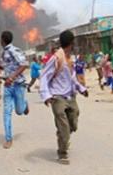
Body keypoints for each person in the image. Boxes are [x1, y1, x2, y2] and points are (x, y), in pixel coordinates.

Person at [39, 30, 88, 165]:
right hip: (57, 97)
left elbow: (71, 78)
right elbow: (44, 76)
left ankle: (62, 134)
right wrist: (46, 96)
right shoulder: (56, 58)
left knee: (74, 121)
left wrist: (81, 89)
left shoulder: (68, 59)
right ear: (71, 43)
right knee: (64, 126)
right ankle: (62, 153)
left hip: (70, 96)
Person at [0, 31, 29, 149]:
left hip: (18, 85)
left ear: (2, 40)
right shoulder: (4, 53)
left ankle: (24, 105)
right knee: (6, 113)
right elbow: (7, 66)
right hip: (7, 86)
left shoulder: (14, 50)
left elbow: (24, 64)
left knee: (19, 111)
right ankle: (8, 139)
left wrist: (12, 77)